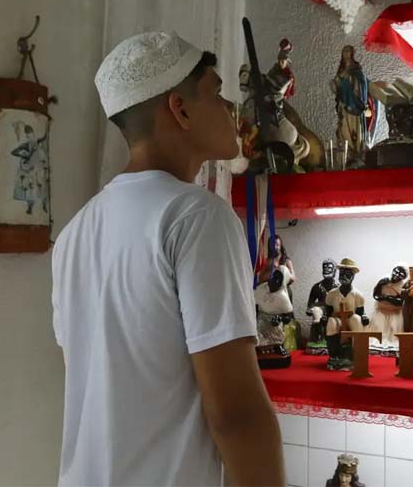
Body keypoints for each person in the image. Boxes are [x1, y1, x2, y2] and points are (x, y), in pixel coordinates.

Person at [52, 31, 284, 486]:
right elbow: (236, 414)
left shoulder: (74, 234)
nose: (231, 110)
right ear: (179, 109)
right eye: (216, 93)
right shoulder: (196, 216)